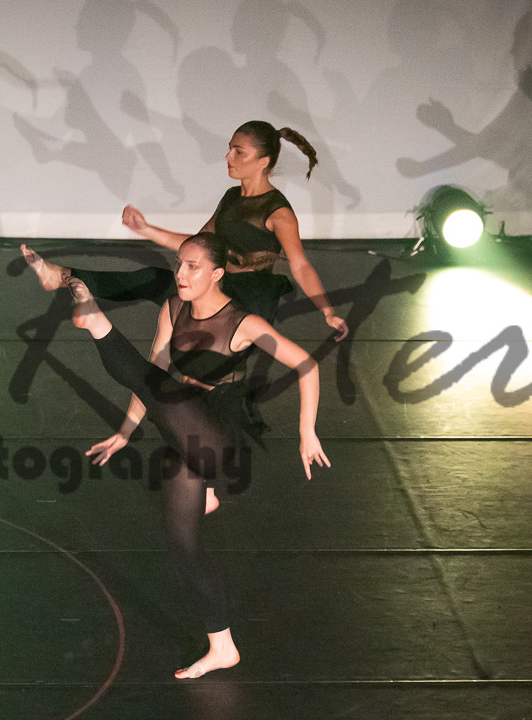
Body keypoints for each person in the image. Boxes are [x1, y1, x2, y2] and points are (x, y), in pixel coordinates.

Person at [23, 232, 329, 678]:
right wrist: (125, 432)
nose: (181, 274)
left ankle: (98, 322)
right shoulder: (172, 309)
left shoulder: (242, 323)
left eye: (192, 267)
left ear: (217, 274)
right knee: (183, 545)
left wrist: (307, 431)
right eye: (180, 264)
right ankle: (222, 646)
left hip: (218, 435)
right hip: (183, 429)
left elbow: (307, 364)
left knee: (162, 388)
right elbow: (150, 377)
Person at [23, 121, 349, 339]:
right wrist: (146, 229)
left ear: (263, 161)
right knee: (153, 280)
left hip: (247, 299)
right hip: (215, 285)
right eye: (230, 148)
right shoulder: (231, 197)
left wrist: (328, 313)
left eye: (239, 151)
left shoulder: (279, 212)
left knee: (206, 360)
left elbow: (300, 265)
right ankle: (60, 276)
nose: (228, 156)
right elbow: (198, 245)